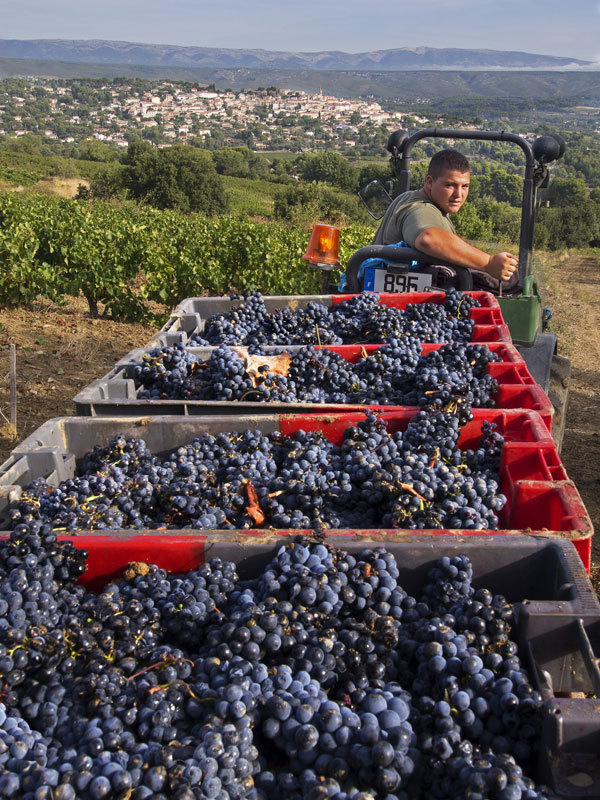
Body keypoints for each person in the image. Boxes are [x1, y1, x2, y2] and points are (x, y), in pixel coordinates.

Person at [372, 149, 519, 289]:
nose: (458, 194)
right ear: (429, 182)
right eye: (450, 185)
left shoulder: (408, 197)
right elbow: (428, 239)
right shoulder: (420, 208)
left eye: (465, 186)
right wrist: (489, 263)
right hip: (398, 302)